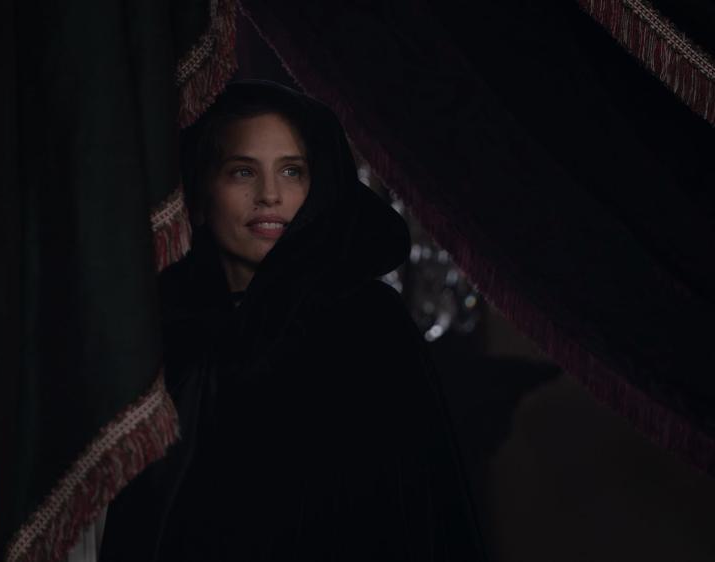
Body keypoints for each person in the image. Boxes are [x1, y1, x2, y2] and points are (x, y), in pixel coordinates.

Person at [100, 80, 486, 561]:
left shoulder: (366, 323)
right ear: (199, 197)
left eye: (291, 172)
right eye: (242, 171)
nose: (269, 195)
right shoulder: (169, 342)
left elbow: (411, 511)